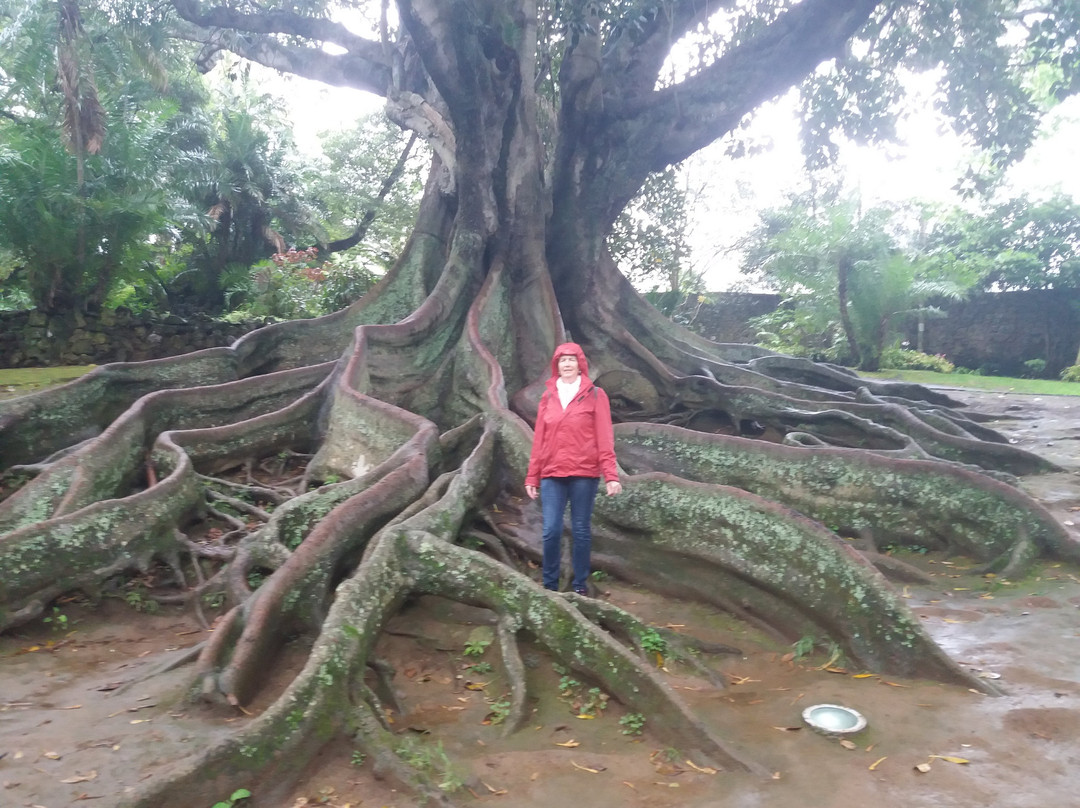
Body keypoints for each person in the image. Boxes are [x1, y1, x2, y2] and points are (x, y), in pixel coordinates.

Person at [524, 342, 621, 595]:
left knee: (580, 530)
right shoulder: (547, 396)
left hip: (584, 472)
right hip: (552, 472)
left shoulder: (596, 395)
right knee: (551, 530)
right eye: (562, 360)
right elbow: (539, 439)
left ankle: (579, 585)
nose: (567, 364)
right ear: (557, 366)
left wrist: (611, 475)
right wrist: (532, 476)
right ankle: (550, 585)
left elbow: (604, 436)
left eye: (571, 360)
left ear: (580, 365)